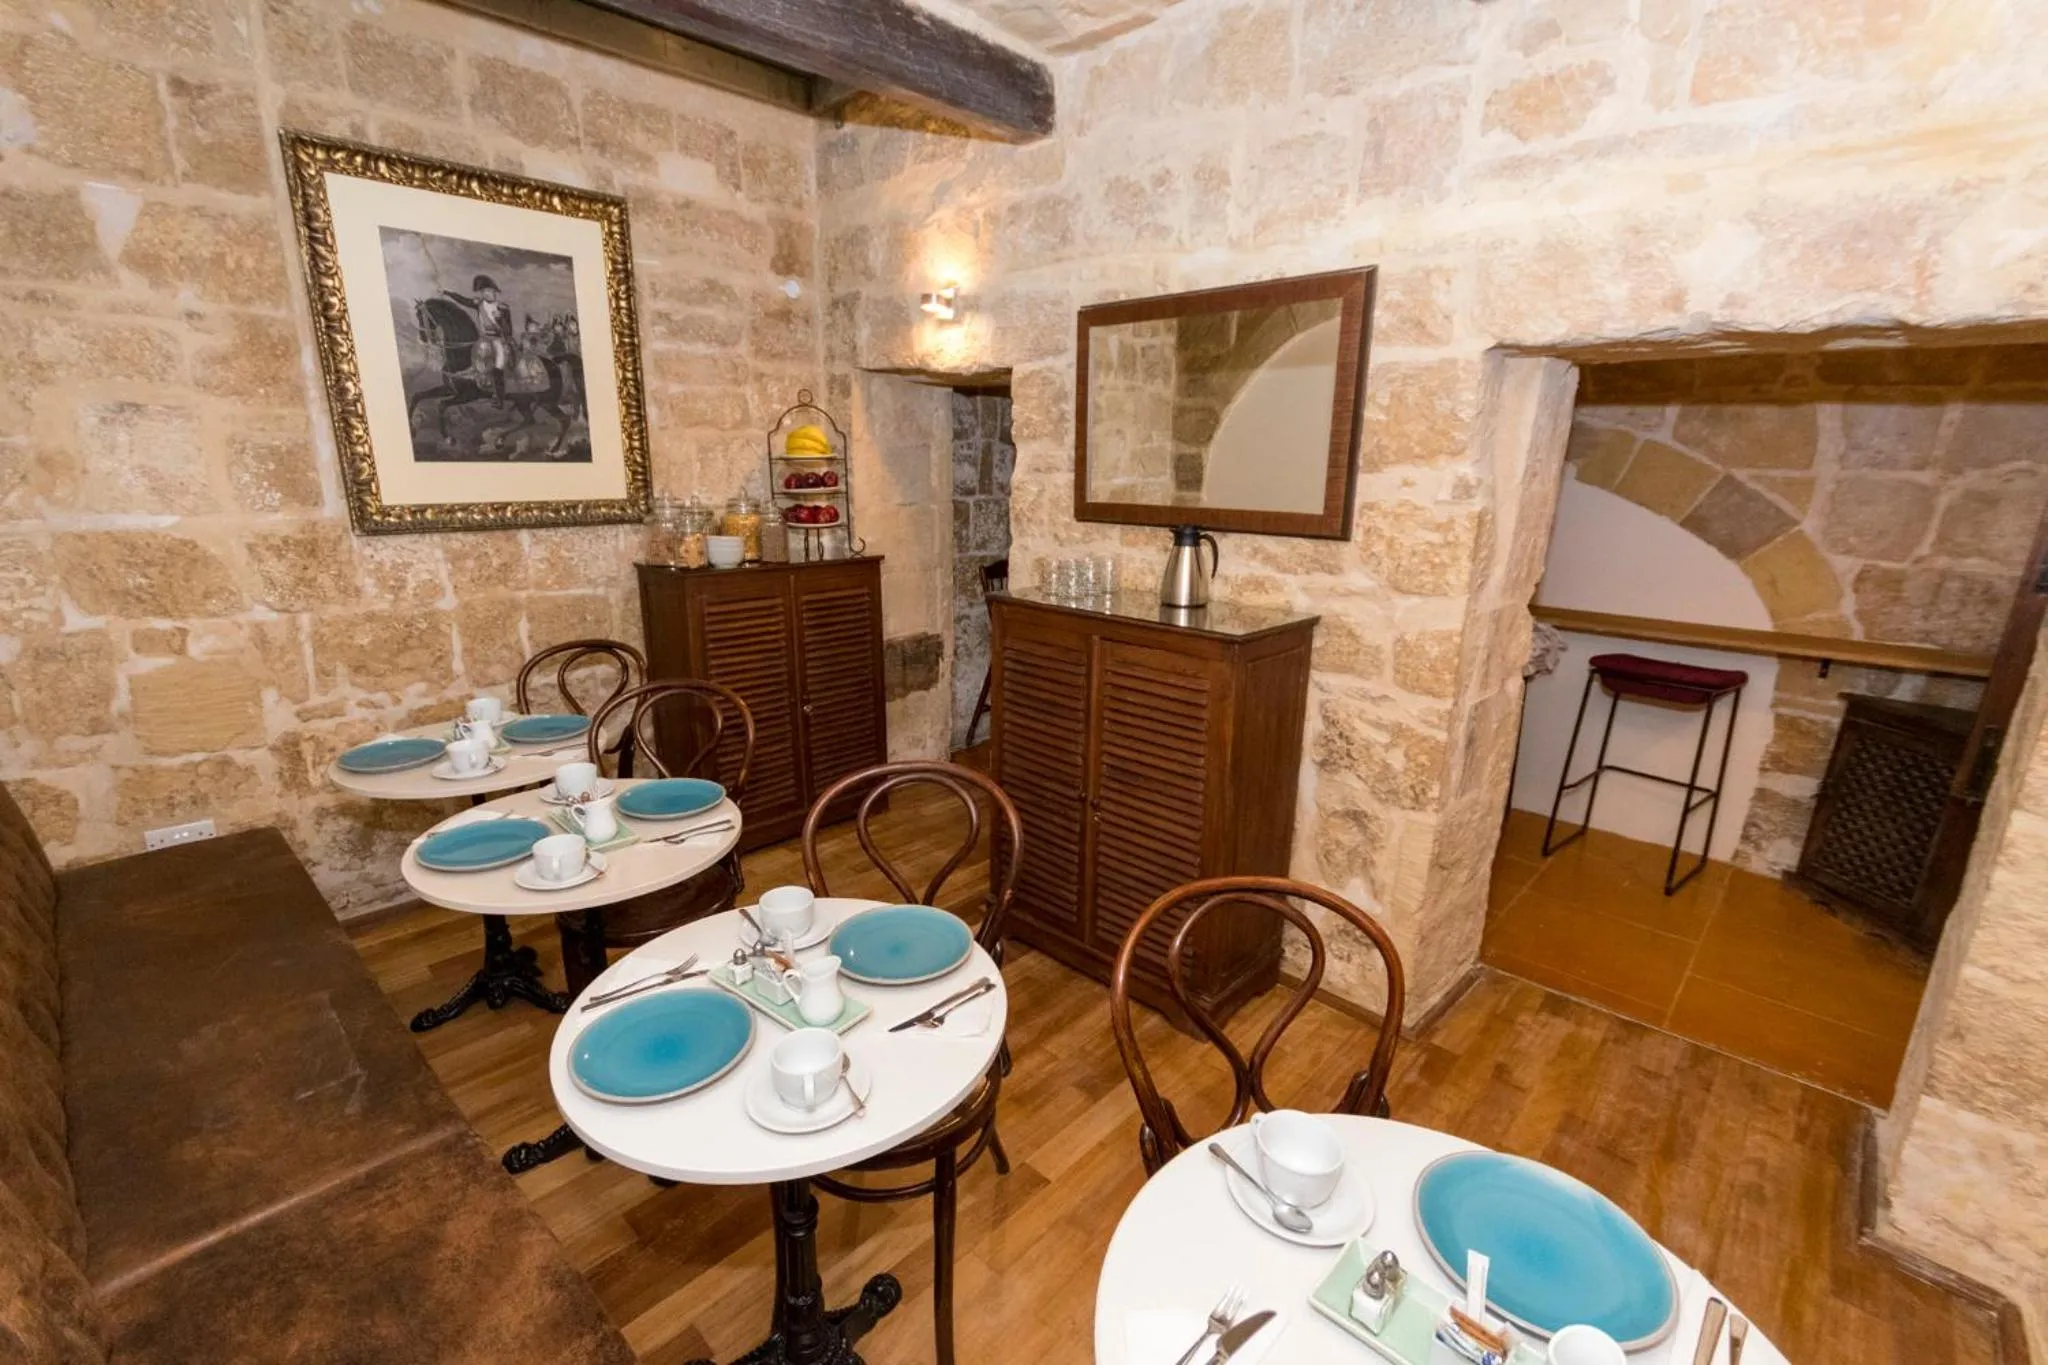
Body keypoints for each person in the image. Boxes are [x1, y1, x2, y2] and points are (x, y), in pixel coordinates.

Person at [441, 274, 514, 407]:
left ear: (494, 292)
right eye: (484, 292)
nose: (487, 294)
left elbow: (509, 331)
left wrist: (500, 320)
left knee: (498, 365)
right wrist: (447, 293)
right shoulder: (479, 304)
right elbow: (463, 300)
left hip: (498, 341)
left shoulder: (503, 308)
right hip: (483, 340)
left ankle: (499, 398)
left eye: (489, 291)